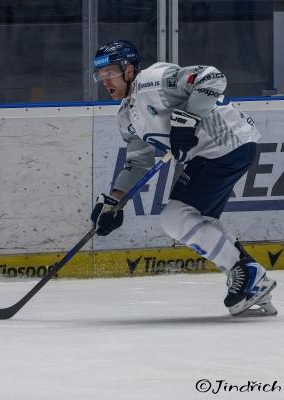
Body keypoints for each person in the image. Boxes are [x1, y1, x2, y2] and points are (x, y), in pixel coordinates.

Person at [90, 40, 277, 316]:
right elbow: (138, 162)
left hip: (225, 142)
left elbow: (212, 77)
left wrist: (187, 118)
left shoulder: (154, 81)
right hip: (212, 153)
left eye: (110, 73)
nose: (105, 81)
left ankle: (247, 273)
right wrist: (113, 203)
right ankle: (250, 278)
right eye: (100, 76)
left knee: (175, 217)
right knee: (199, 221)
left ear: (129, 70)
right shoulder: (126, 118)